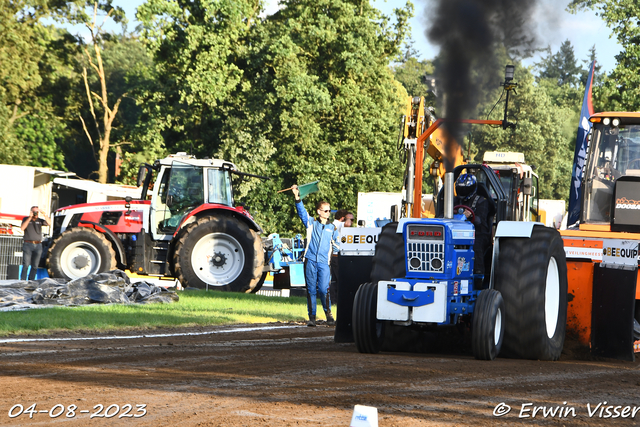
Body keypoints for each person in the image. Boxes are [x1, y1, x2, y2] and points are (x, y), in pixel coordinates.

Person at [292, 185, 340, 327]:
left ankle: (329, 316)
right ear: (319, 212)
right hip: (310, 260)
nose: (328, 213)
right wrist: (297, 197)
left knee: (324, 290)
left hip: (324, 263)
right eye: (326, 210)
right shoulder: (311, 223)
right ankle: (312, 317)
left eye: (329, 210)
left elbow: (337, 245)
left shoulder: (333, 228)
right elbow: (301, 212)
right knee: (311, 290)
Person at [454, 174, 491, 276]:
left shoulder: (481, 201)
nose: (462, 192)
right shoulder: (454, 200)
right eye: (460, 189)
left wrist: (470, 216)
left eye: (465, 189)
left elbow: (480, 220)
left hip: (478, 232)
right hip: (455, 232)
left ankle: (478, 274)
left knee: (476, 245)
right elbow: (441, 215)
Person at [20, 206, 51, 281]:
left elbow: (49, 223)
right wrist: (30, 217)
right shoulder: (26, 219)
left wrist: (43, 213)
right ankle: (23, 280)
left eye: (36, 212)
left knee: (35, 265)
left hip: (38, 245)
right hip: (28, 244)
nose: (35, 213)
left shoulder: (40, 220)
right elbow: (22, 228)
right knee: (26, 264)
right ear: (31, 212)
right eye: (34, 211)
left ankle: (31, 280)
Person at [329, 209, 353, 305]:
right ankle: (338, 300)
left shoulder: (332, 225)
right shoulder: (338, 225)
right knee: (340, 279)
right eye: (351, 219)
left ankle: (334, 300)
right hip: (337, 256)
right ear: (343, 218)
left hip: (334, 256)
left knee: (334, 280)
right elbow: (347, 224)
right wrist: (348, 219)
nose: (351, 221)